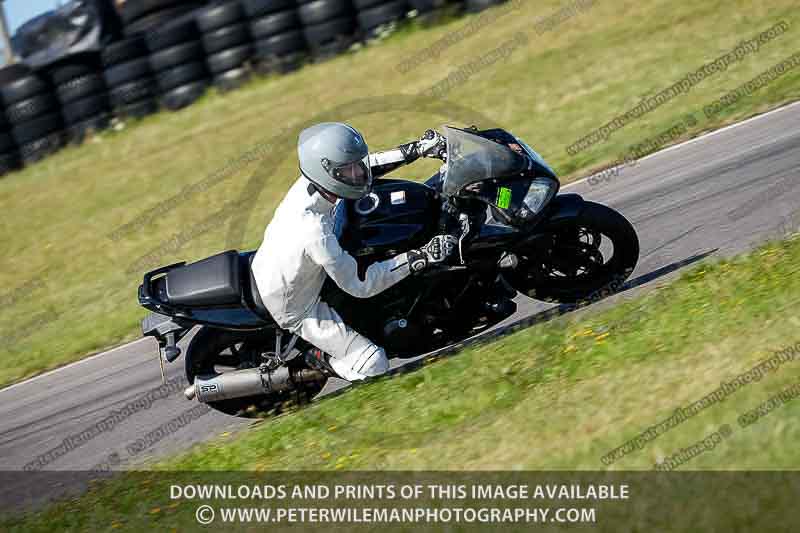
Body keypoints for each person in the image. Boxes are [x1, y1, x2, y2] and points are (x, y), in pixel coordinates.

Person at [251, 122, 457, 381]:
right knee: (374, 364)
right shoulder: (314, 232)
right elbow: (361, 285)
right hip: (294, 305)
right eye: (349, 170)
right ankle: (316, 358)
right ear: (329, 172)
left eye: (356, 165)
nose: (359, 173)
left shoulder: (315, 181)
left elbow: (367, 166)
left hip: (285, 264)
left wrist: (415, 150)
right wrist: (421, 256)